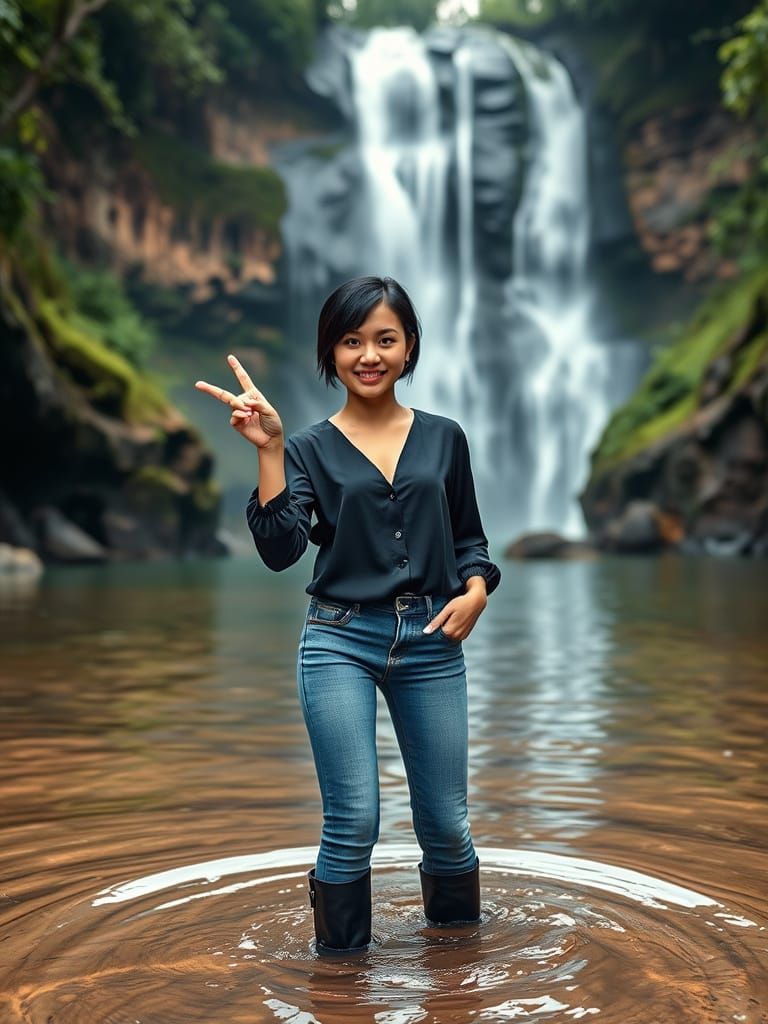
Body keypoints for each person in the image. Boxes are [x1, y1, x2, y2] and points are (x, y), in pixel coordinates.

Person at [195, 275, 501, 958]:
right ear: (330, 353)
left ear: (409, 346)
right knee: (353, 821)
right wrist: (270, 450)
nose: (370, 354)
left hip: (431, 640)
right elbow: (280, 552)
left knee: (448, 824)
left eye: (385, 339)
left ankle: (460, 976)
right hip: (340, 641)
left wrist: (477, 590)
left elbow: (470, 541)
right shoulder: (305, 447)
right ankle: (339, 983)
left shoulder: (446, 438)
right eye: (352, 340)